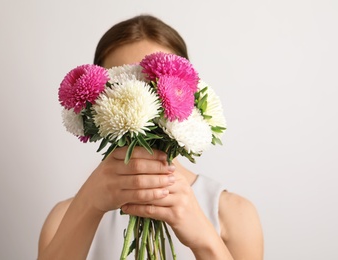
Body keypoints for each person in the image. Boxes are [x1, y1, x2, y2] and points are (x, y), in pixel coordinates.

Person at [38, 14, 264, 260]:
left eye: (152, 85)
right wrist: (88, 204)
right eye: (121, 85)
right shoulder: (64, 217)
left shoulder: (233, 214)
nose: (139, 100)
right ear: (94, 102)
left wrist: (206, 241)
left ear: (188, 95)